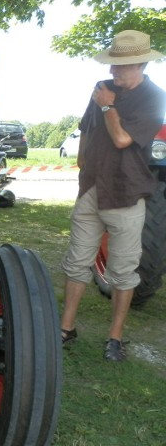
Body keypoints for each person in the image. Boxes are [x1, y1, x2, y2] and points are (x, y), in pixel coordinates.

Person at [60, 30, 166, 361]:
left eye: (121, 67)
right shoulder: (102, 90)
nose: (114, 73)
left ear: (141, 64)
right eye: (113, 66)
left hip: (126, 191)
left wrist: (108, 107)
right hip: (93, 188)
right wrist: (82, 163)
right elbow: (86, 128)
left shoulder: (153, 97)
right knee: (77, 262)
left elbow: (121, 139)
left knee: (123, 270)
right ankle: (66, 328)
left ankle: (115, 338)